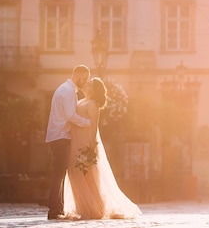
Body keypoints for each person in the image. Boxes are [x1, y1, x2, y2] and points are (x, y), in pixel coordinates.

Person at [64, 77, 142, 220]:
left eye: (89, 84)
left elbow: (94, 126)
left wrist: (90, 147)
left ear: (93, 89)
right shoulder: (81, 101)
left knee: (89, 176)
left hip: (85, 143)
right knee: (76, 175)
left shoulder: (93, 104)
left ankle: (95, 208)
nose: (85, 84)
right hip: (75, 141)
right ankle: (82, 207)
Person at [45, 65, 92, 220]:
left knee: (59, 173)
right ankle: (54, 209)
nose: (85, 82)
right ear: (77, 75)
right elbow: (70, 115)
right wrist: (88, 122)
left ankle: (57, 208)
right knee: (58, 173)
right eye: (84, 78)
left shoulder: (64, 88)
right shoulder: (69, 91)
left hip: (58, 136)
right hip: (60, 137)